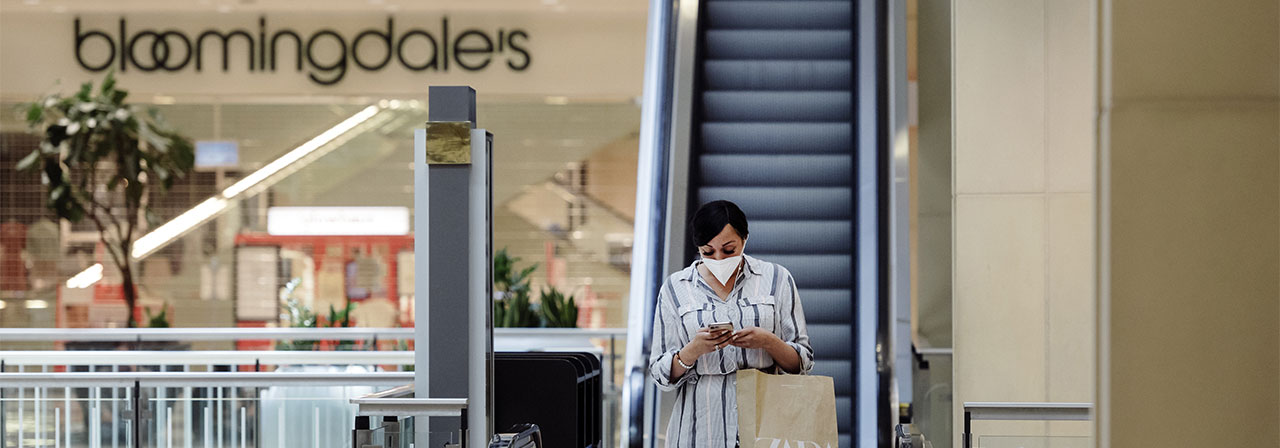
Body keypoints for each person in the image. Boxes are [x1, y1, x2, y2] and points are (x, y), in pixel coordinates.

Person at [648, 200, 814, 448]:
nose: (718, 258)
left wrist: (768, 341)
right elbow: (659, 374)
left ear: (745, 239)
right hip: (699, 430)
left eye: (728, 250)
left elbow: (803, 362)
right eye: (707, 251)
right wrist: (692, 351)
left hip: (766, 426)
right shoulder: (675, 288)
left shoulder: (777, 279)